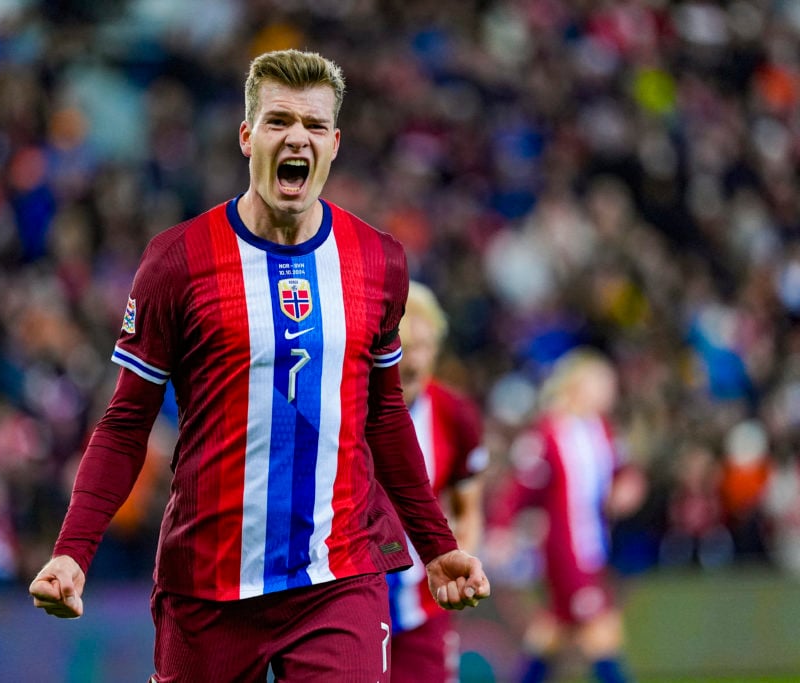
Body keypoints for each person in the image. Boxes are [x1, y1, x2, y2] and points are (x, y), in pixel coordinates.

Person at [28, 49, 490, 682]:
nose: (296, 136)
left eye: (313, 125)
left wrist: (437, 547)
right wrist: (73, 552)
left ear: (334, 144)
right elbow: (125, 423)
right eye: (277, 121)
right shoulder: (177, 261)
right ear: (247, 137)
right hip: (208, 584)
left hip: (339, 575)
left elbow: (383, 415)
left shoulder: (379, 263)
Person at [496, 348, 643, 683]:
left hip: (594, 545)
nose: (611, 392)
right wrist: (502, 527)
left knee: (550, 636)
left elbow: (623, 469)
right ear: (578, 385)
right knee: (602, 631)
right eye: (603, 384)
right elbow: (520, 485)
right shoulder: (549, 432)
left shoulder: (602, 429)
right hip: (565, 550)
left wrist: (628, 485)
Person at [388, 281, 489, 683]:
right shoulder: (343, 404)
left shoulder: (455, 414)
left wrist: (463, 565)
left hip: (423, 608)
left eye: (424, 347)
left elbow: (469, 508)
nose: (414, 362)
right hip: (350, 603)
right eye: (404, 348)